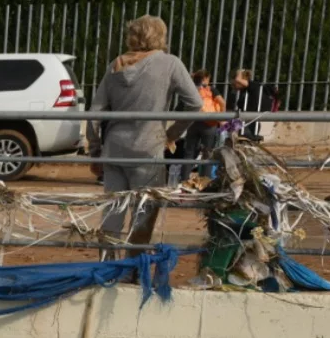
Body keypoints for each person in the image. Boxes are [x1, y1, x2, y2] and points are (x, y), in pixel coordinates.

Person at [87, 15, 201, 254]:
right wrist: (171, 134)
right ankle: (133, 271)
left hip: (114, 151)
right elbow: (195, 104)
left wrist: (95, 150)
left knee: (112, 213)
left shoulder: (115, 64)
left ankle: (107, 267)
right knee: (144, 213)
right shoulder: (170, 63)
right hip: (148, 150)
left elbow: (95, 112)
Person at [170, 69, 227, 180]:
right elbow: (222, 102)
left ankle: (184, 179)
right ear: (205, 78)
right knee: (207, 153)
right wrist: (222, 117)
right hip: (209, 124)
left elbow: (179, 109)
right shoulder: (211, 90)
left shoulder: (191, 91)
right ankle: (204, 181)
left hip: (193, 123)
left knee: (189, 152)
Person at [226, 68, 281, 142]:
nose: (233, 85)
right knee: (224, 128)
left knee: (224, 130)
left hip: (250, 125)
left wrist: (240, 72)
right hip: (247, 122)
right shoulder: (246, 91)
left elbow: (237, 80)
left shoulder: (252, 85)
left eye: (234, 84)